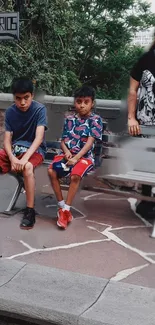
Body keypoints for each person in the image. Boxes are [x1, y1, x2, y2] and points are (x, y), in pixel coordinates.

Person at [48, 85, 103, 229]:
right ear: (75, 102)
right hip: (67, 155)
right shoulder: (69, 119)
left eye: (86, 102)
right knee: (51, 171)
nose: (82, 105)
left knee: (75, 175)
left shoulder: (95, 120)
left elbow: (89, 143)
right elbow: (63, 141)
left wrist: (76, 158)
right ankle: (62, 207)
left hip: (85, 157)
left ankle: (66, 210)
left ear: (92, 103)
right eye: (79, 101)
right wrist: (66, 151)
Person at [1, 77, 47, 229]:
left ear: (32, 96)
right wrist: (13, 159)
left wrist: (23, 159)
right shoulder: (10, 112)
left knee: (27, 167)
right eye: (18, 98)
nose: (22, 103)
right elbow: (7, 140)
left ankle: (30, 211)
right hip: (15, 151)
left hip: (34, 151)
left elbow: (39, 138)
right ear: (14, 97)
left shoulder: (40, 110)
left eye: (26, 98)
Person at [128, 37, 155, 217]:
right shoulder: (146, 59)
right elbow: (133, 90)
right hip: (145, 122)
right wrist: (131, 118)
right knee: (147, 163)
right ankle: (145, 200)